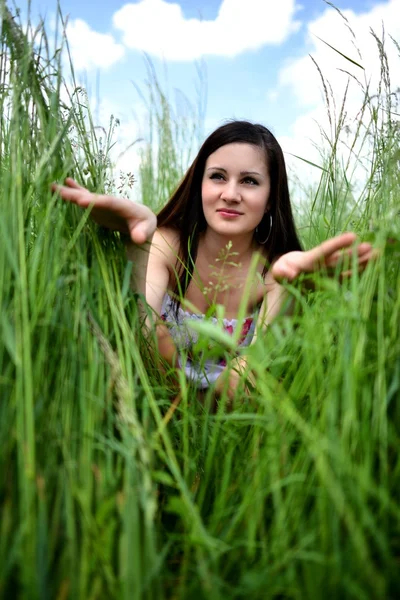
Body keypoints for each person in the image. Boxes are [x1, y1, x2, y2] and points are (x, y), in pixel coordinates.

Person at [53, 121, 375, 400]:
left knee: (242, 376)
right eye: (218, 176)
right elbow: (142, 333)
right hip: (157, 392)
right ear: (200, 186)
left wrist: (295, 288)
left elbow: (258, 371)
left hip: (229, 415)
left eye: (249, 181)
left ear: (268, 200)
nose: (231, 194)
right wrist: (141, 246)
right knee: (160, 338)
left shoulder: (273, 270)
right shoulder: (170, 245)